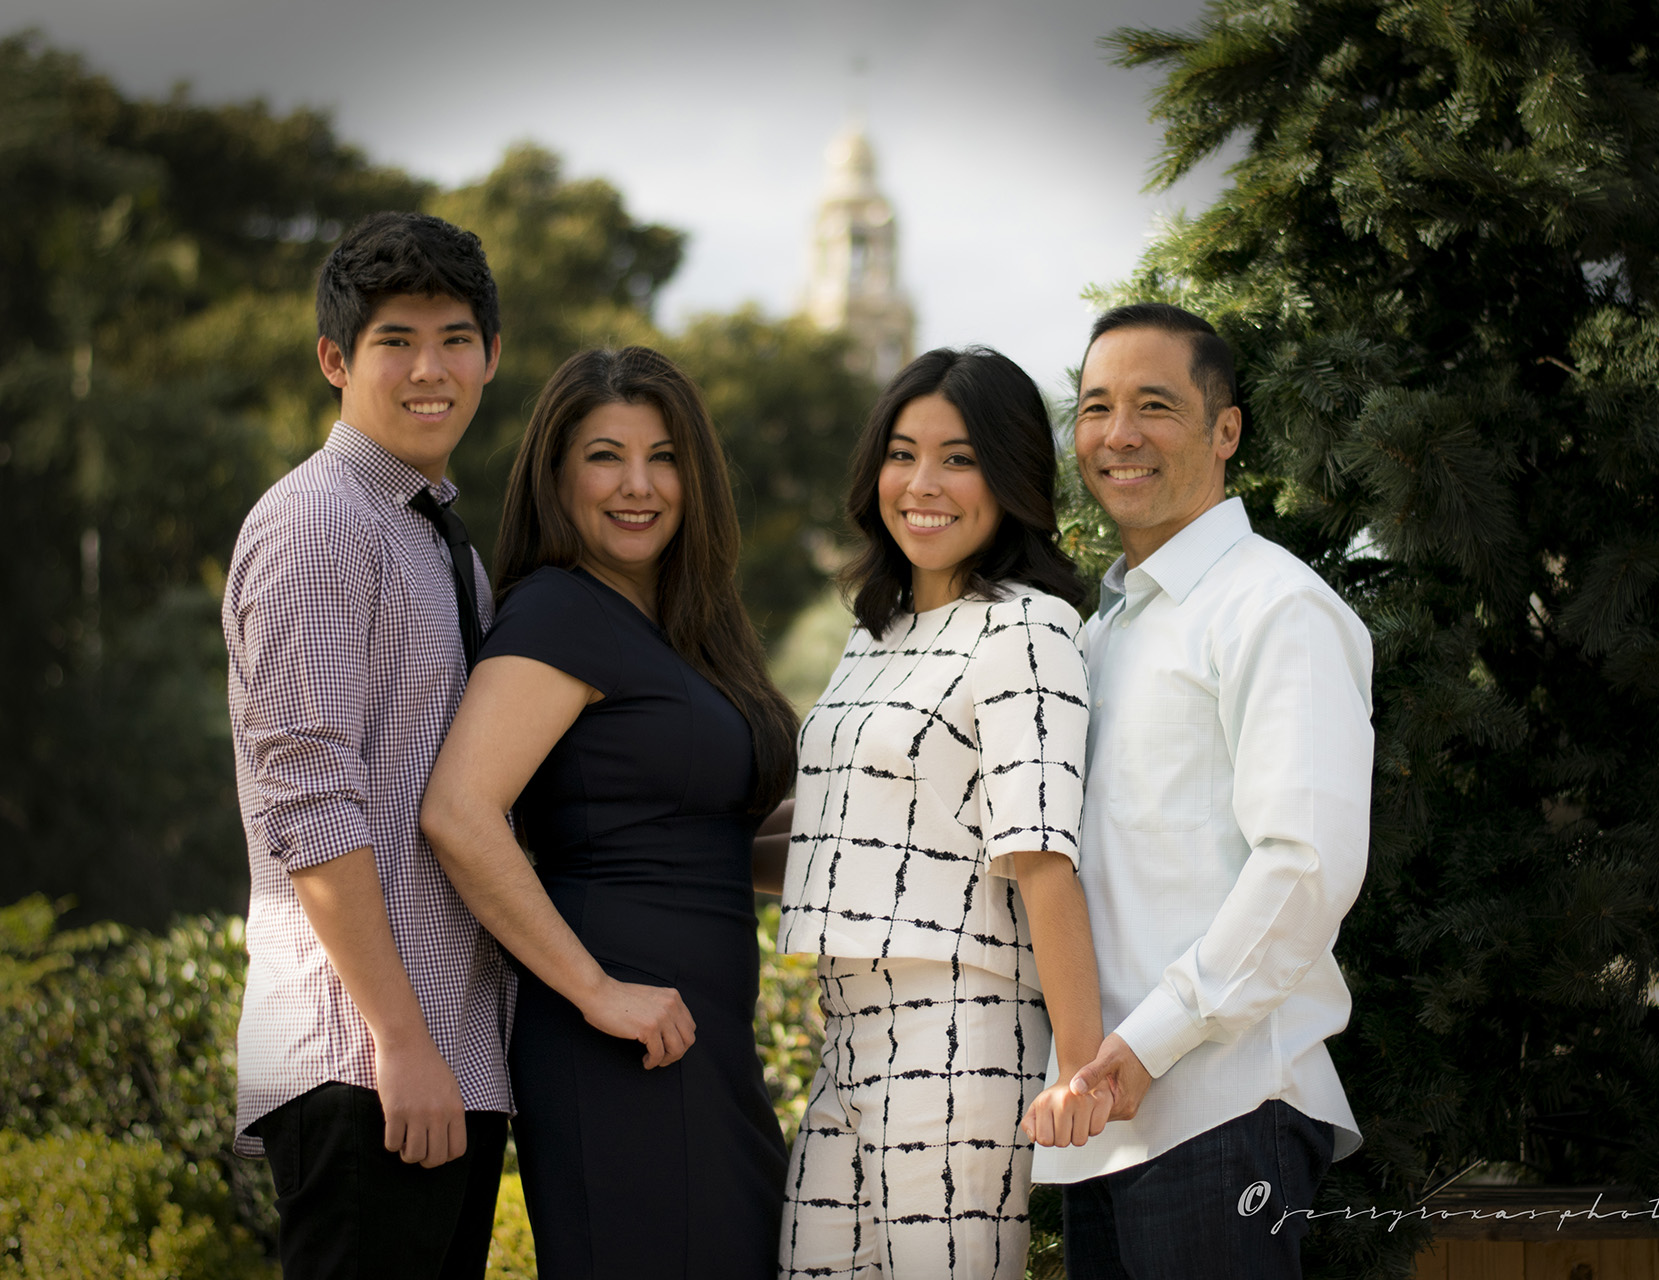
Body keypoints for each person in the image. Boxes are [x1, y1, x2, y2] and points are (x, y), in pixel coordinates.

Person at [418, 345, 797, 1278]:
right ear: (556, 476)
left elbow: (713, 841)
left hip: (703, 1041)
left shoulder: (685, 630)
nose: (639, 485)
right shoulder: (560, 611)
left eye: (663, 457)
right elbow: (459, 812)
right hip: (620, 1044)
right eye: (605, 456)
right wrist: (597, 991)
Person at [1030, 303, 1375, 1280]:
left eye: (1155, 405)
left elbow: (1304, 867)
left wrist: (1148, 1043)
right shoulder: (1098, 632)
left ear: (1226, 431)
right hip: (1103, 1119)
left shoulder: (1276, 606)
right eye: (1096, 407)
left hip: (1223, 1110)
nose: (1118, 433)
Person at [775, 346, 1111, 1279]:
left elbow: (1042, 854)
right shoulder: (873, 634)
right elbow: (833, 826)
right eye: (902, 453)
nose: (922, 484)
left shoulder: (1027, 627)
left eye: (959, 459)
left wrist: (1079, 1070)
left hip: (960, 1027)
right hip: (845, 1029)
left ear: (1010, 477)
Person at [222, 211, 510, 1278]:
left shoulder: (435, 539)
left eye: (454, 338)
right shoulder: (319, 523)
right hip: (368, 1060)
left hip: (448, 1057)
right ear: (336, 360)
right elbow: (306, 801)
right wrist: (399, 1037)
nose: (430, 369)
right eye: (396, 340)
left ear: (491, 355)